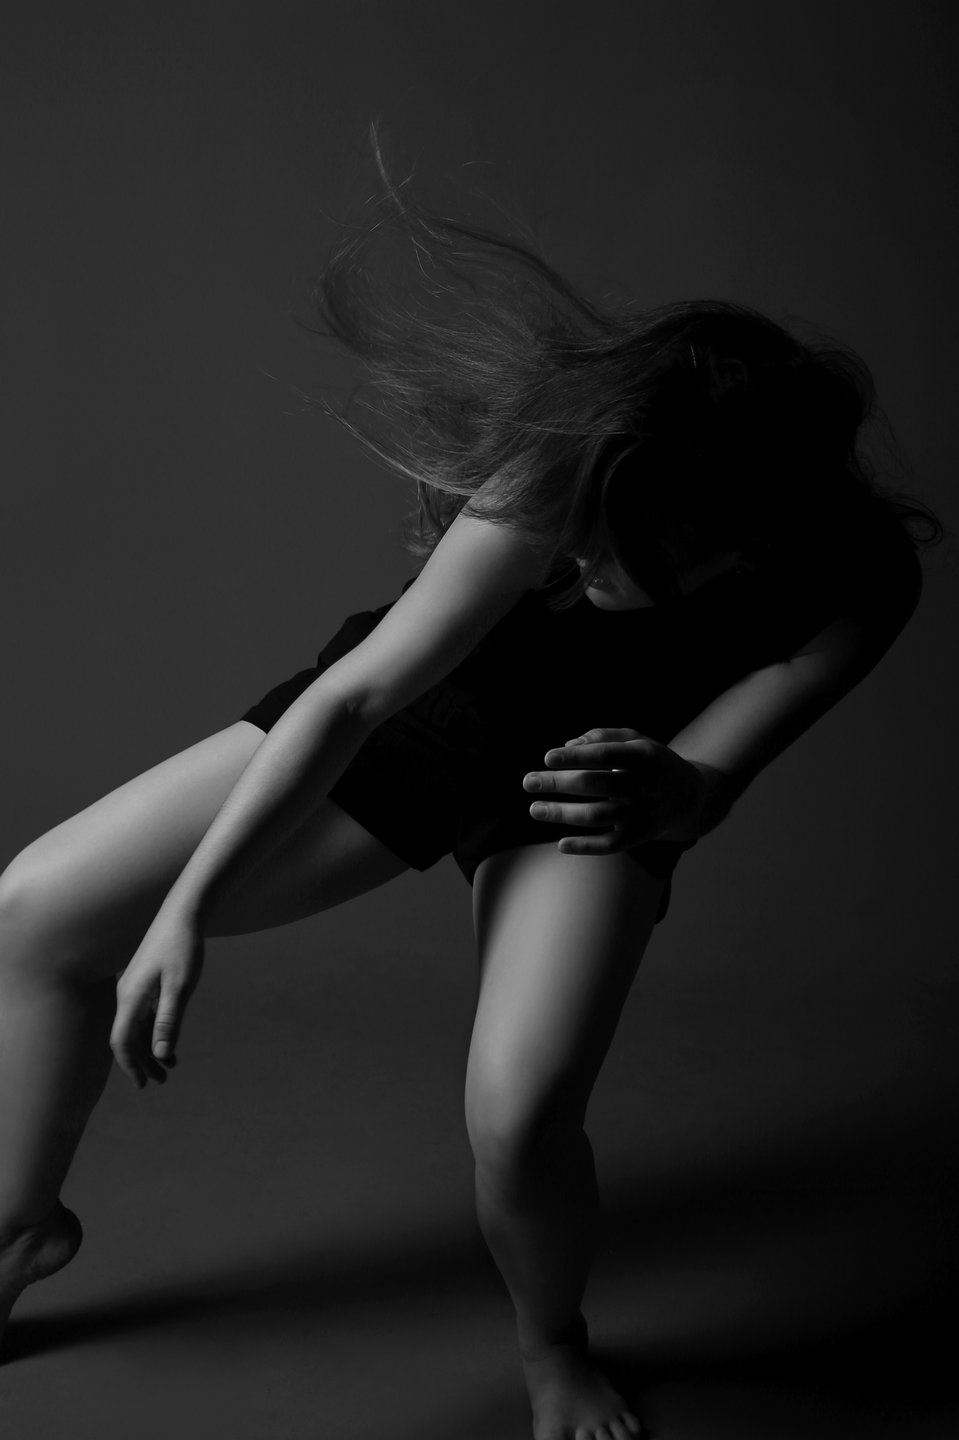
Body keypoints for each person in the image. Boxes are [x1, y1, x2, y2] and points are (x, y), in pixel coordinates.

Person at [0, 140, 941, 1440]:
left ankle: (554, 1344)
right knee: (34, 909)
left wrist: (673, 790)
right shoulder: (572, 462)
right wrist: (187, 910)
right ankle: (19, 1228)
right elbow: (356, 699)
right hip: (431, 718)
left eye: (622, 550)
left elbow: (717, 778)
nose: (580, 558)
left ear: (742, 537)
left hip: (595, 785)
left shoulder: (860, 581)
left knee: (519, 1112)